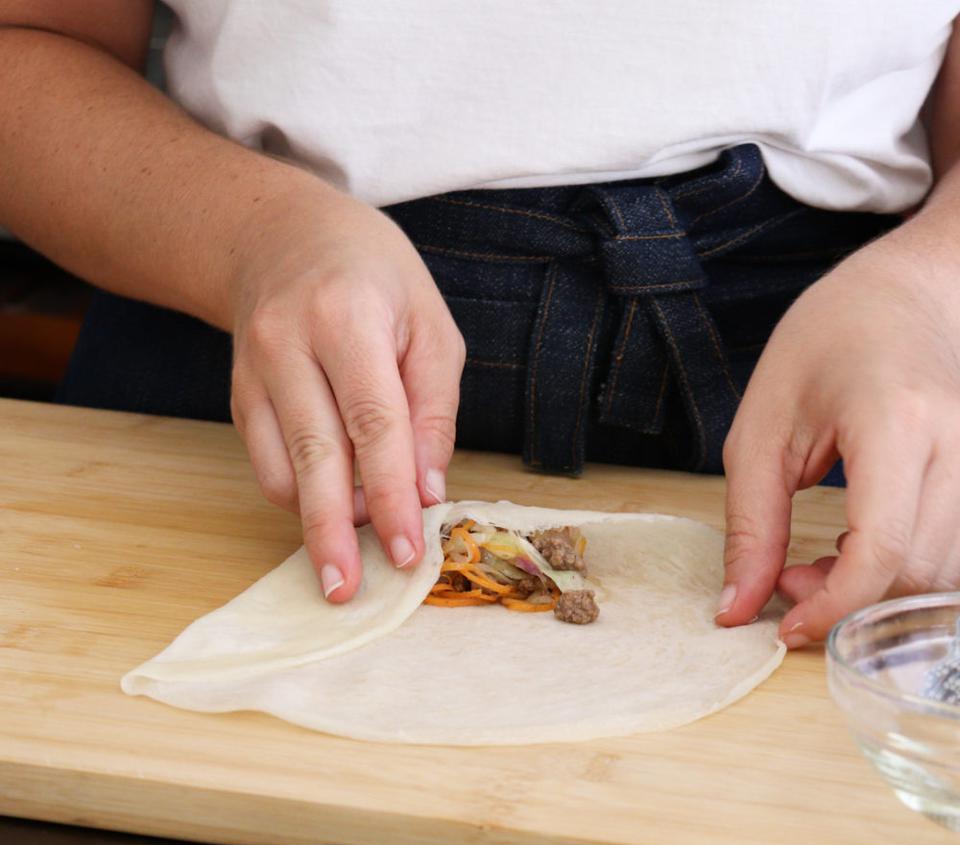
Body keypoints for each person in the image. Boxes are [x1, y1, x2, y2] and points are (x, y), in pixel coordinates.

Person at [1, 2, 959, 652]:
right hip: (250, 346)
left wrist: (929, 289)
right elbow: (30, 38)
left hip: (857, 374)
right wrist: (258, 240)